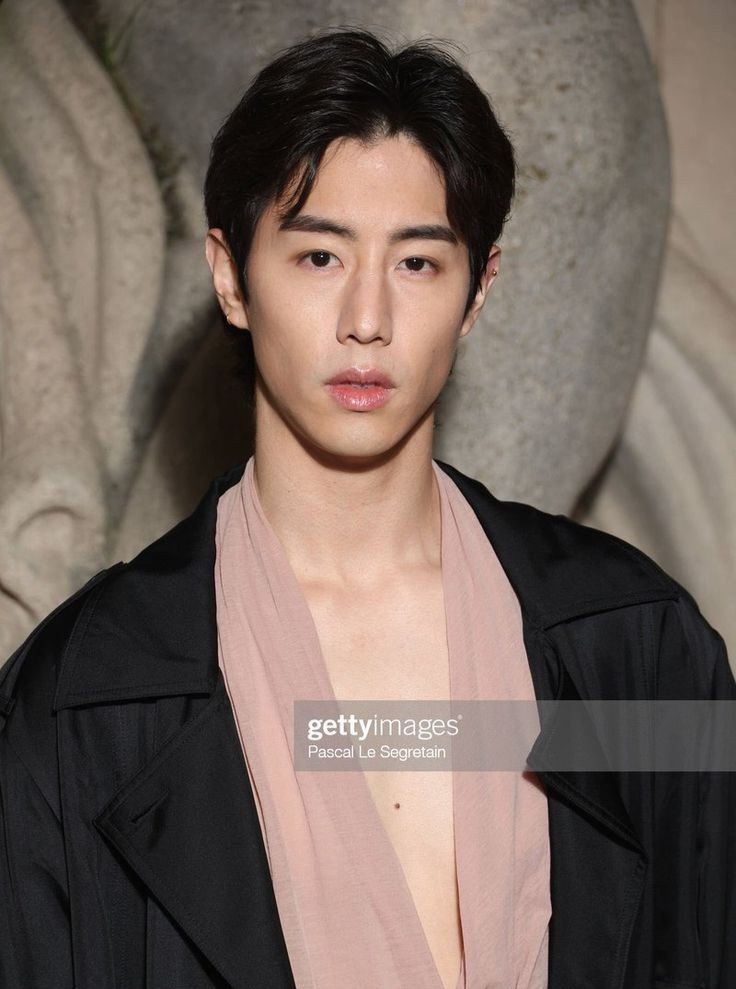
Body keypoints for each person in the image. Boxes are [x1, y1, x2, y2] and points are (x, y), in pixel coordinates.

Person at [0, 26, 733, 989]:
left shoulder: (639, 652)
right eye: (319, 257)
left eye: (418, 264)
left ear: (479, 292)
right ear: (230, 276)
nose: (367, 320)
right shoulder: (81, 700)